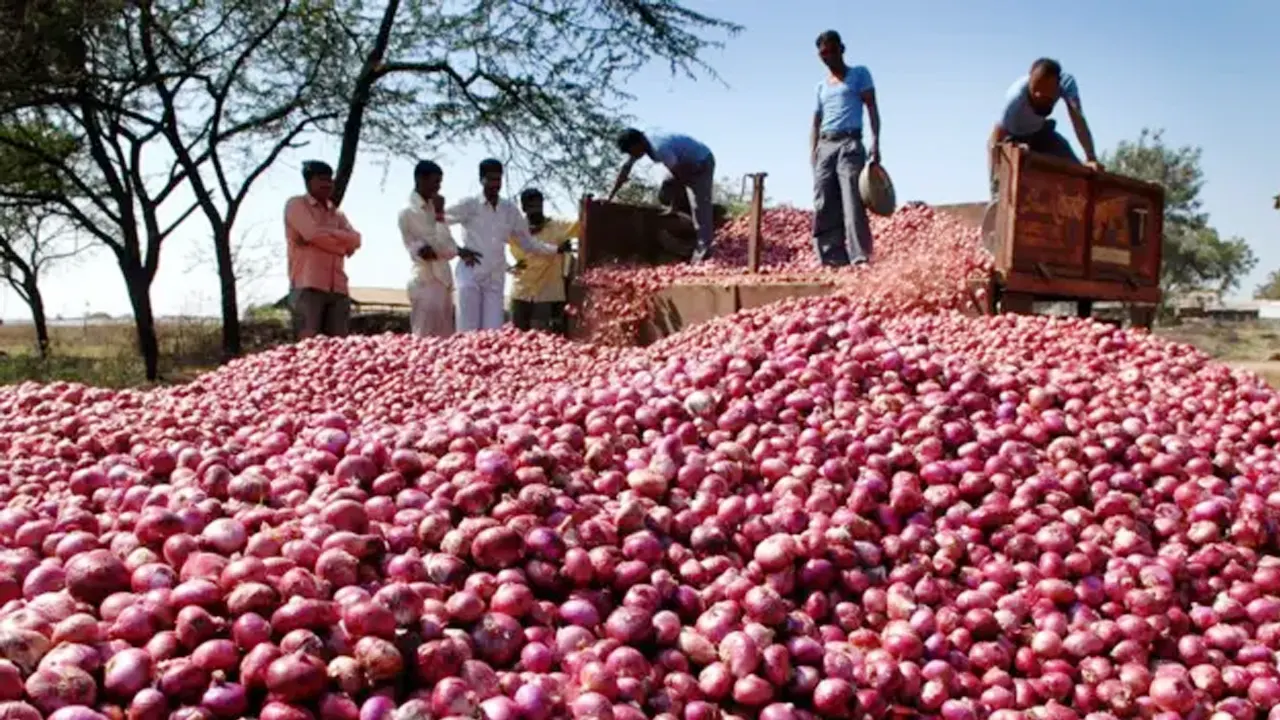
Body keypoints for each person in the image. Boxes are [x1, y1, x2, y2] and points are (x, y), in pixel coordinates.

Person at [444, 159, 571, 332]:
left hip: (495, 277)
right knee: (468, 330)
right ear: (481, 179)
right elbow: (438, 220)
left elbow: (528, 243)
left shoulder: (509, 210)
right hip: (471, 272)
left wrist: (555, 249)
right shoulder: (469, 204)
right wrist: (457, 250)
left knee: (492, 332)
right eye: (491, 179)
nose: (495, 184)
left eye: (498, 179)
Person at [810, 29, 881, 268]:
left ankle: (860, 256)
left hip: (850, 142)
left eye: (831, 51)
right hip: (825, 144)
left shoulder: (859, 74)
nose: (828, 57)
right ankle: (831, 257)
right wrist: (813, 150)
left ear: (841, 49)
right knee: (823, 200)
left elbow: (872, 108)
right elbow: (816, 121)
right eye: (823, 54)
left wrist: (876, 141)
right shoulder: (821, 87)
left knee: (852, 199)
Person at [989, 58, 1102, 189]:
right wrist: (995, 179)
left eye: (1046, 97)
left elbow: (1078, 119)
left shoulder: (1065, 83)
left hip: (1041, 132)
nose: (1039, 96)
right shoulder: (1015, 100)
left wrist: (1091, 158)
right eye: (1035, 91)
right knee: (1021, 163)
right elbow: (997, 135)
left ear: (1057, 88)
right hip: (1014, 137)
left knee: (1076, 170)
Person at [398, 160, 482, 338]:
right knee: (424, 339)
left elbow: (447, 247)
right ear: (420, 179)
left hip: (443, 279)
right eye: (435, 182)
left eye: (440, 182)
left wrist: (439, 215)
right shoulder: (408, 213)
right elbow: (434, 249)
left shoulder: (434, 209)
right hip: (425, 280)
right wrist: (445, 246)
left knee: (444, 341)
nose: (438, 187)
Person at [608, 129, 716, 263]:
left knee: (699, 206)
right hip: (682, 162)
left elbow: (679, 178)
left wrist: (674, 206)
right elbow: (626, 168)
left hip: (700, 162)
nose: (632, 155)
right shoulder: (642, 143)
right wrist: (610, 196)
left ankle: (703, 250)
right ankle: (686, 217)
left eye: (631, 152)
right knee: (665, 192)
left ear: (637, 144)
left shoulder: (660, 149)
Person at [283, 160, 362, 339]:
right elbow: (312, 234)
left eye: (329, 179)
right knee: (308, 346)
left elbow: (357, 239)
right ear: (308, 182)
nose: (327, 184)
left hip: (338, 288)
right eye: (322, 179)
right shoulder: (296, 205)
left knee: (338, 347)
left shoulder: (336, 213)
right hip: (308, 285)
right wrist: (341, 247)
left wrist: (328, 235)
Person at [508, 188, 579, 335]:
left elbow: (581, 224)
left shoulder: (557, 226)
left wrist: (588, 207)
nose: (536, 210)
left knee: (546, 339)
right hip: (522, 292)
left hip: (549, 294)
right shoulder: (515, 231)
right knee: (516, 338)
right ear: (524, 208)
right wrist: (555, 250)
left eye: (539, 206)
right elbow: (530, 256)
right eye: (531, 207)